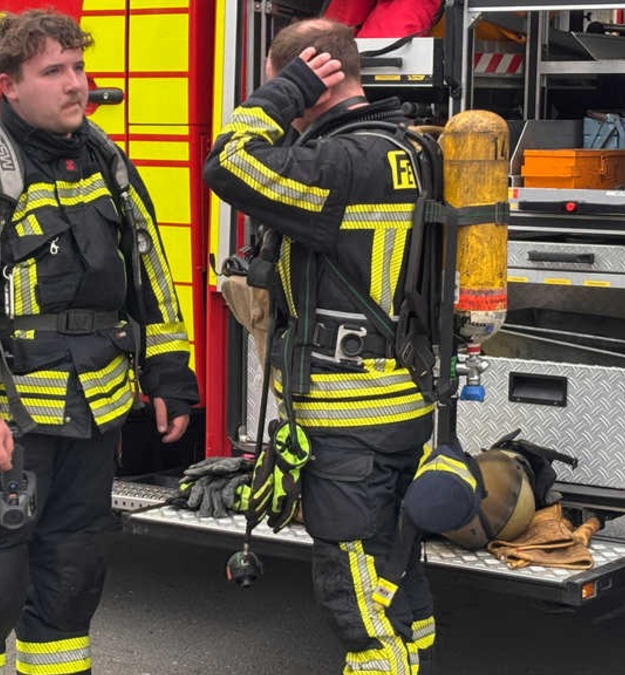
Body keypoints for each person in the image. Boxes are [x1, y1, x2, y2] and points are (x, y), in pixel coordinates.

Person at [0, 9, 198, 674]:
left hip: (91, 414)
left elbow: (148, 268)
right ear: (8, 84)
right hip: (10, 418)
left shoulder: (104, 158)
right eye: (53, 72)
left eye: (78, 67)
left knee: (70, 584)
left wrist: (169, 372)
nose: (76, 85)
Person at [204, 18, 439, 675]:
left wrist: (282, 93)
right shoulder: (408, 149)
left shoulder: (338, 164)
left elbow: (227, 162)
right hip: (401, 407)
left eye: (287, 83)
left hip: (348, 420)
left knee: (355, 594)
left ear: (311, 78)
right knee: (396, 574)